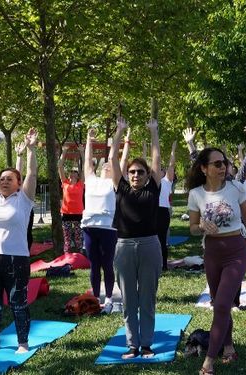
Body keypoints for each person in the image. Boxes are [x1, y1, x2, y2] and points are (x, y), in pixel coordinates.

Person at [187, 148, 246, 375]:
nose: (223, 167)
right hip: (212, 253)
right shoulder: (196, 194)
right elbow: (191, 228)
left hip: (235, 251)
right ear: (204, 168)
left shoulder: (236, 188)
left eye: (224, 163)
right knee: (221, 303)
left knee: (220, 305)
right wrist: (200, 226)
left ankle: (209, 361)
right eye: (217, 164)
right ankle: (228, 346)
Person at [0, 127, 38, 354]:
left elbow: (32, 173)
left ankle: (22, 343)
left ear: (18, 183)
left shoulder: (24, 199)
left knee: (18, 302)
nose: (4, 181)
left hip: (16, 258)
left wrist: (31, 149)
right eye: (1, 178)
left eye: (9, 179)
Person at [110, 113, 162, 359]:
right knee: (129, 299)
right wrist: (119, 133)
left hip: (150, 245)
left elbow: (157, 159)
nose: (135, 175)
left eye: (140, 172)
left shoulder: (153, 187)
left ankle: (148, 344)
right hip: (124, 246)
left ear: (147, 174)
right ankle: (133, 345)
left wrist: (154, 132)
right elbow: (112, 158)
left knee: (147, 299)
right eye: (132, 171)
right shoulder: (120, 187)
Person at [81, 128, 121, 314]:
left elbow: (114, 158)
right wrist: (89, 140)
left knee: (107, 264)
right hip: (89, 227)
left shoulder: (113, 183)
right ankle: (96, 298)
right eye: (104, 165)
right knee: (94, 264)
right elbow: (88, 161)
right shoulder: (91, 179)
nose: (107, 167)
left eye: (110, 166)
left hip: (108, 229)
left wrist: (120, 136)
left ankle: (110, 298)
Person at [58, 145, 85, 253]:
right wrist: (64, 151)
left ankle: (81, 255)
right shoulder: (65, 183)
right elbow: (60, 166)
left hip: (78, 213)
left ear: (78, 176)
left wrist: (82, 152)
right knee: (67, 238)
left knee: (79, 238)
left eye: (75, 172)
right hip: (66, 214)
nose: (73, 173)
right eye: (71, 172)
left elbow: (84, 167)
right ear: (69, 175)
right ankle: (67, 255)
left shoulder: (81, 184)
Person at [157, 141, 177, 271]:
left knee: (162, 239)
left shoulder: (166, 181)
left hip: (163, 212)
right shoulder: (149, 182)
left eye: (161, 169)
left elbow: (171, 165)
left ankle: (163, 265)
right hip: (150, 212)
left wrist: (173, 150)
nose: (160, 170)